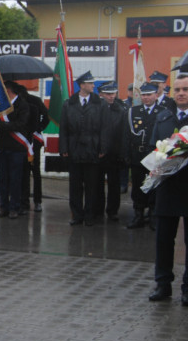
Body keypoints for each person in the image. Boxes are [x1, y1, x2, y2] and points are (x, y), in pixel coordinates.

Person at [148, 75, 188, 305]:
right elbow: (155, 148)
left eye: (186, 89)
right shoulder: (163, 117)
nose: (181, 93)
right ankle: (163, 284)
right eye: (178, 89)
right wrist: (169, 148)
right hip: (167, 186)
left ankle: (187, 288)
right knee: (164, 239)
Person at [59, 71, 109, 226]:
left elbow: (105, 128)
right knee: (75, 185)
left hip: (92, 149)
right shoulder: (69, 103)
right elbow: (64, 129)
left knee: (92, 185)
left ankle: (89, 215)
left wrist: (103, 147)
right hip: (74, 150)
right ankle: (77, 215)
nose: (93, 86)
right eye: (90, 83)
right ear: (82, 85)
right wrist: (64, 148)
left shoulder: (100, 103)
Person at [125, 82, 165, 229]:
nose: (146, 98)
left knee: (154, 185)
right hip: (138, 156)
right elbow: (127, 135)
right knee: (138, 187)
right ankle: (138, 214)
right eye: (144, 95)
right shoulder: (133, 111)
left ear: (156, 95)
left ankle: (153, 214)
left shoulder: (163, 111)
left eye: (149, 94)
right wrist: (127, 154)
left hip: (155, 156)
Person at [0, 81, 31, 219]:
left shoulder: (23, 105)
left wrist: (0, 125)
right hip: (2, 146)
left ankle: (15, 207)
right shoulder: (2, 106)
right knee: (2, 179)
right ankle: (4, 207)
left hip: (17, 148)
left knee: (15, 179)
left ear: (9, 90)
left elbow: (20, 125)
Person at [17, 84, 49, 214]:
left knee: (34, 172)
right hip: (22, 140)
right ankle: (25, 201)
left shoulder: (35, 101)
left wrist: (39, 128)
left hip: (33, 141)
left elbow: (46, 117)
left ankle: (37, 201)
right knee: (24, 172)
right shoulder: (16, 103)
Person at [97, 81, 127, 222]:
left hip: (114, 154)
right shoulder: (95, 108)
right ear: (101, 94)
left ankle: (113, 210)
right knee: (97, 183)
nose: (111, 96)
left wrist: (122, 153)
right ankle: (98, 210)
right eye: (108, 94)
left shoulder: (121, 109)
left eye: (113, 93)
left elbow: (123, 133)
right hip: (99, 153)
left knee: (114, 185)